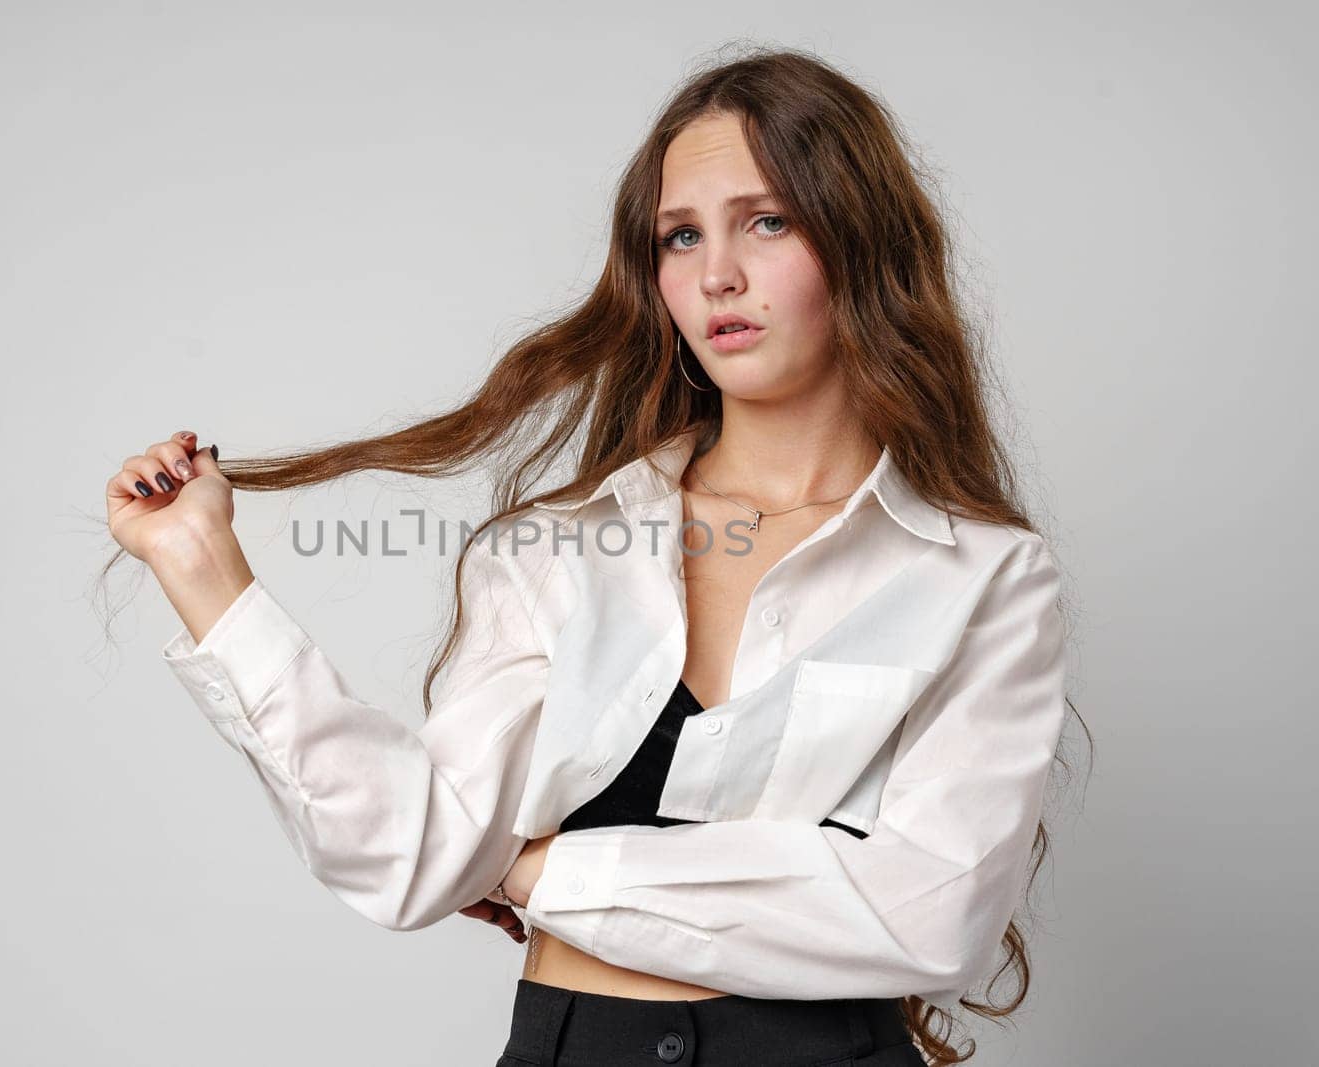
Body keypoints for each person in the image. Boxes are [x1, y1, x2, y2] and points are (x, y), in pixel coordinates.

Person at [101, 45, 1085, 1067]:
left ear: (860, 241)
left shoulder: (980, 574)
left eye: (768, 220)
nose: (718, 275)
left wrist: (532, 869)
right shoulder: (559, 548)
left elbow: (928, 915)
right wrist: (207, 574)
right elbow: (410, 855)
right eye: (680, 236)